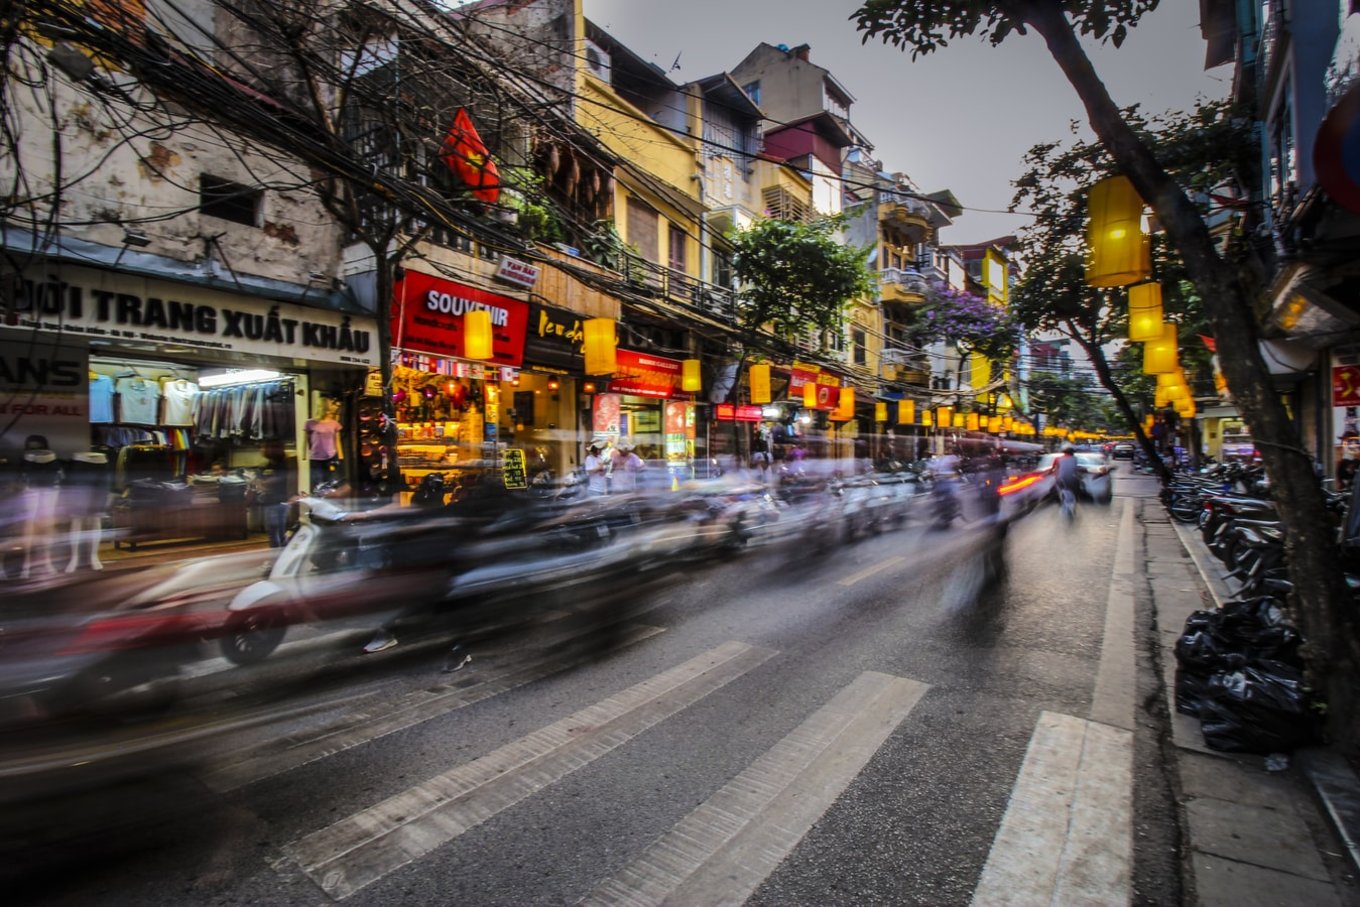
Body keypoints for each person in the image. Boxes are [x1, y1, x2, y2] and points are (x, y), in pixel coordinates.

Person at [256, 439, 291, 547]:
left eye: (264, 447)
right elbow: (260, 482)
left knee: (275, 531)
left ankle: (277, 557)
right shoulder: (266, 465)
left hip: (277, 501)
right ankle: (280, 556)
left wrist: (264, 482)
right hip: (273, 501)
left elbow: (268, 482)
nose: (261, 450)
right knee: (277, 531)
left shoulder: (282, 465)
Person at [1055, 444, 1081, 517]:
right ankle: (1075, 501)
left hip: (1060, 480)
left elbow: (1055, 469)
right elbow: (1075, 469)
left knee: (1058, 489)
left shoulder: (1057, 459)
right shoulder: (1074, 459)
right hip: (1072, 480)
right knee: (1076, 490)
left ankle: (1060, 501)